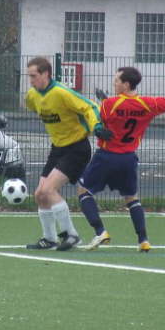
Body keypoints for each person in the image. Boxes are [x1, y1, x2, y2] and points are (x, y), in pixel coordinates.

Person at [78, 59, 165, 252]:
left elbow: (100, 119)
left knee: (83, 191)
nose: (114, 83)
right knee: (132, 198)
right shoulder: (148, 104)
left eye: (117, 80)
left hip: (106, 156)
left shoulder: (109, 104)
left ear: (126, 84)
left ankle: (100, 231)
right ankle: (143, 240)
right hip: (128, 158)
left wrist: (102, 105)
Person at [25, 57, 112, 251]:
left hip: (76, 149)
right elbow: (33, 106)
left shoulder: (62, 92)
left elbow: (90, 107)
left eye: (34, 76)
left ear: (46, 74)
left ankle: (71, 235)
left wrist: (96, 127)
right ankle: (50, 239)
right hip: (57, 149)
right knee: (40, 194)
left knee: (49, 190)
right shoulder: (32, 96)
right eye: (29, 76)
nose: (31, 80)